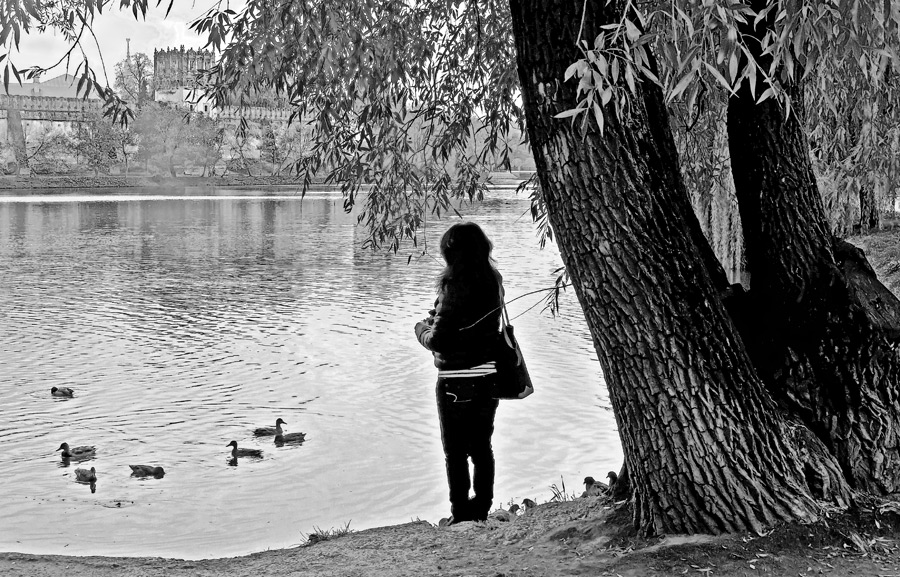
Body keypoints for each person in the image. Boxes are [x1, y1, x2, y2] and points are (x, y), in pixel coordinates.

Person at [415, 222, 503, 525]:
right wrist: (440, 318)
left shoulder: (454, 284)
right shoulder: (494, 280)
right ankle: (481, 510)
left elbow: (439, 340)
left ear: (450, 251)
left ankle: (460, 514)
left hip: (456, 380)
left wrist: (422, 330)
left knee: (455, 452)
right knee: (481, 447)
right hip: (489, 377)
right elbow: (478, 325)